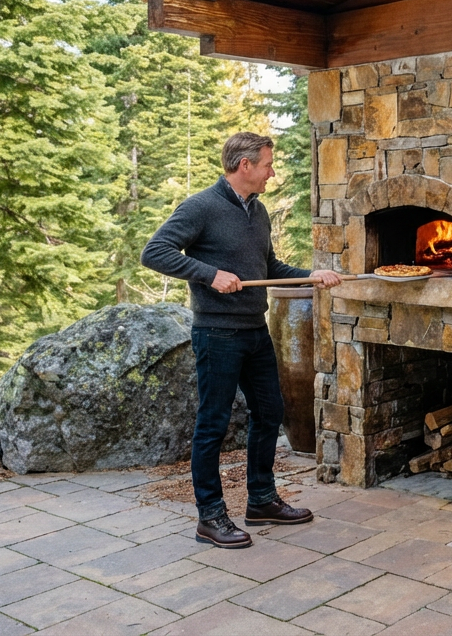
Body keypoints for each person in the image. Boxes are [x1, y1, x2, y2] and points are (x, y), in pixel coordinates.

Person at [142, 131, 341, 549]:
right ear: (245, 165)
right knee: (212, 425)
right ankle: (210, 517)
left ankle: (262, 499)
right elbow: (155, 251)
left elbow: (269, 266)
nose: (272, 172)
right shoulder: (201, 207)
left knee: (270, 413)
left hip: (254, 330)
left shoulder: (259, 210)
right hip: (217, 334)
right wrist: (209, 274)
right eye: (268, 164)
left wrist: (313, 275)